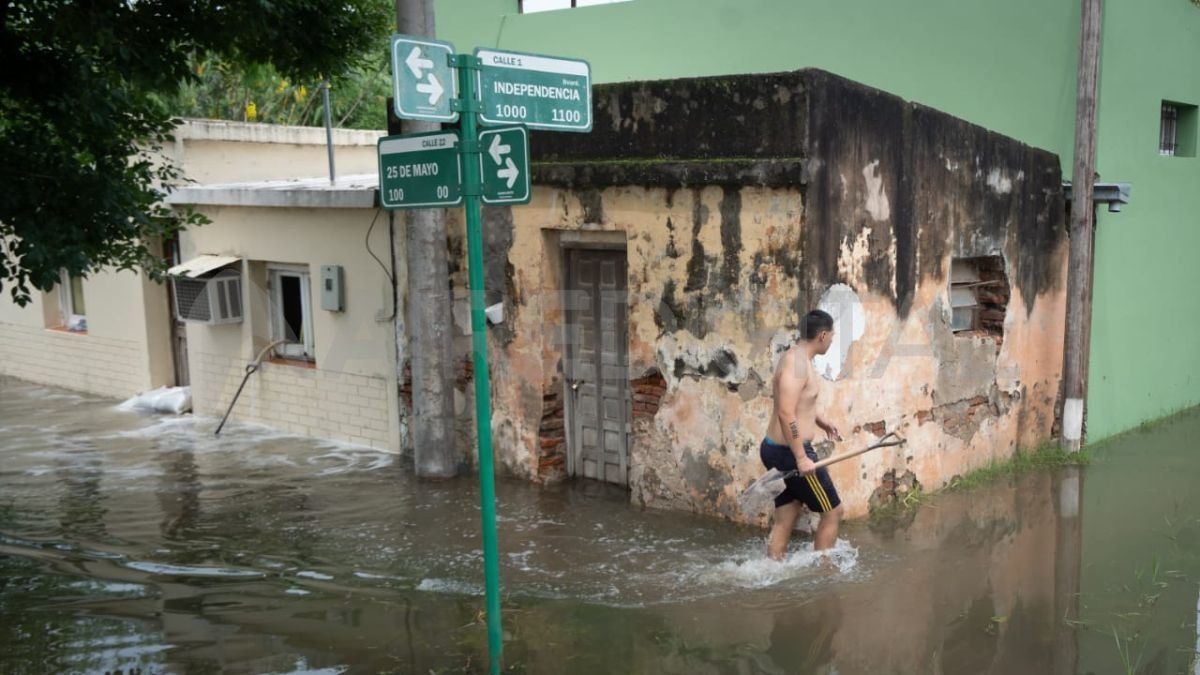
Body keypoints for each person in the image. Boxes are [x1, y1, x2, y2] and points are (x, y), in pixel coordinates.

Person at [761, 309, 844, 560]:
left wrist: (821, 421)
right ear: (822, 335)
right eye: (831, 335)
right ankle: (825, 574)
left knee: (788, 511)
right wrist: (800, 457)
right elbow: (787, 413)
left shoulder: (796, 357)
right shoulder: (798, 364)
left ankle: (772, 570)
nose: (831, 340)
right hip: (789, 453)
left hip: (776, 449)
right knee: (833, 512)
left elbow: (798, 403)